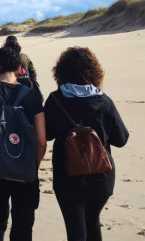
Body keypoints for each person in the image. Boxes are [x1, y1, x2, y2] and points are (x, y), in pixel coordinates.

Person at [44, 47, 129, 241]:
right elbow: (121, 139)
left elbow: (46, 135)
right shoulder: (104, 101)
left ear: (61, 73)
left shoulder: (55, 100)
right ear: (94, 72)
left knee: (75, 228)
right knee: (92, 221)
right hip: (102, 177)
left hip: (68, 177)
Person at [0, 47, 46, 240]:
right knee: (23, 226)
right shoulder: (33, 95)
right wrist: (32, 166)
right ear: (19, 67)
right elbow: (41, 141)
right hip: (26, 172)